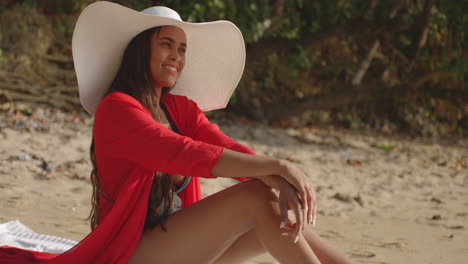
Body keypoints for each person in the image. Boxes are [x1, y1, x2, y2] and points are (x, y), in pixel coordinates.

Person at [0, 2, 352, 263]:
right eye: (167, 44)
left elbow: (227, 147)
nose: (177, 56)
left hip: (182, 247)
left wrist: (278, 178)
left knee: (271, 200)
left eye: (182, 49)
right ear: (142, 48)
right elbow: (181, 152)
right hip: (131, 253)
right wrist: (279, 168)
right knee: (254, 197)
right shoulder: (117, 109)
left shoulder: (180, 109)